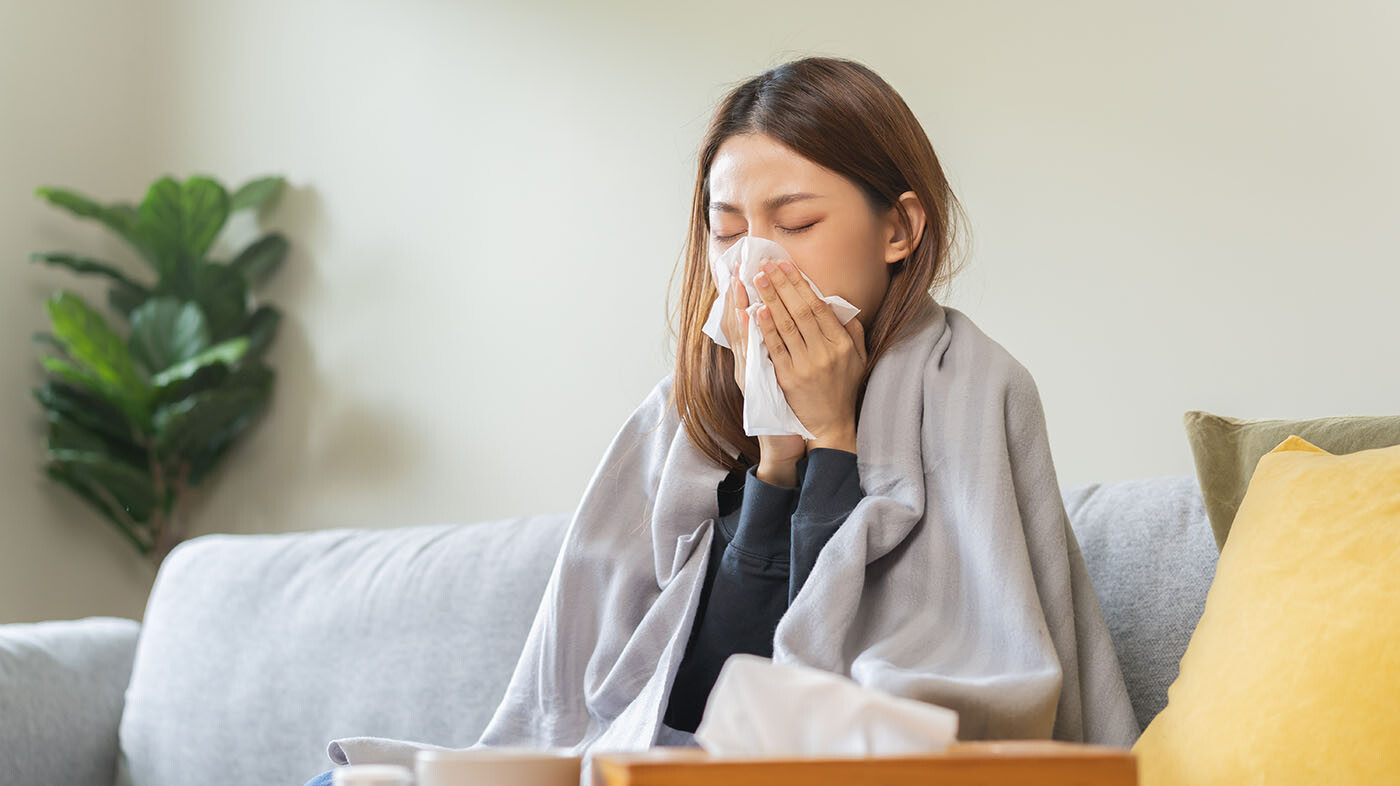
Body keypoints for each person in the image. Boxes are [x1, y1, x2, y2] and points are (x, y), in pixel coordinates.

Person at [305, 54, 1137, 786]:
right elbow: (682, 701)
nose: (753, 263)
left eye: (798, 223)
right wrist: (778, 458)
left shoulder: (974, 389)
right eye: (726, 229)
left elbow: (843, 703)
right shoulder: (678, 414)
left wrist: (838, 446)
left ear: (899, 228)